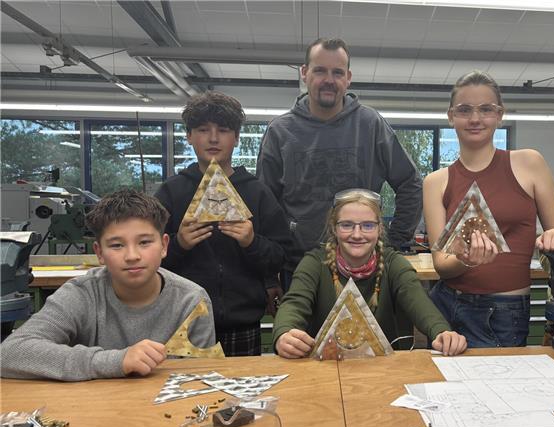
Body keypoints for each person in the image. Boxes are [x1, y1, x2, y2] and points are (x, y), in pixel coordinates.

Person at [257, 37, 422, 289]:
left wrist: (391, 243)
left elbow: (411, 183)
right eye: (320, 70)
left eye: (337, 72)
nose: (329, 80)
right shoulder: (279, 132)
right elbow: (265, 207)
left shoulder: (370, 124)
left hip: (364, 270)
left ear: (348, 78)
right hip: (299, 269)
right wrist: (269, 275)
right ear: (304, 73)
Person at [423, 71, 554, 348]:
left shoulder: (529, 163)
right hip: (445, 305)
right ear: (451, 116)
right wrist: (466, 259)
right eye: (464, 110)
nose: (475, 118)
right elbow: (442, 265)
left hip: (503, 313)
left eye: (486, 109)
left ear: (500, 115)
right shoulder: (435, 182)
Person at [0, 190, 216, 381]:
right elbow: (9, 353)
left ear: (164, 246)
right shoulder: (81, 294)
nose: (132, 256)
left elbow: (202, 380)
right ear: (99, 253)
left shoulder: (191, 301)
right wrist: (116, 361)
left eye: (144, 242)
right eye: (117, 245)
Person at [155, 91, 292, 356]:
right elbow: (149, 260)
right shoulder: (171, 193)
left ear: (237, 137)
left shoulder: (257, 193)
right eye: (203, 130)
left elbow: (280, 256)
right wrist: (178, 244)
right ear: (189, 136)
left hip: (242, 324)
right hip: (183, 324)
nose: (213, 138)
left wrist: (252, 242)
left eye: (224, 130)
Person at [273, 189, 467, 358]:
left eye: (367, 225)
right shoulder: (315, 263)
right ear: (334, 228)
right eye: (347, 225)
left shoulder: (393, 264)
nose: (357, 234)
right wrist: (284, 334)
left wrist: (442, 332)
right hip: (326, 368)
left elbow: (419, 303)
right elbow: (294, 303)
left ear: (379, 229)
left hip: (386, 370)